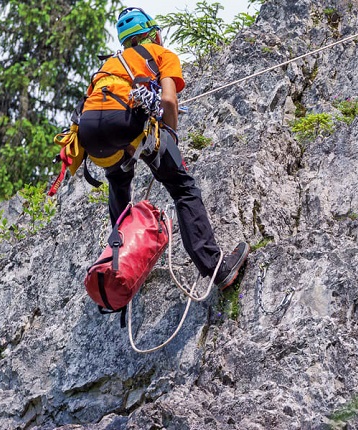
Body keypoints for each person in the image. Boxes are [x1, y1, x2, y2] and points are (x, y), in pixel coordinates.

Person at [77, 6, 248, 290]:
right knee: (182, 188)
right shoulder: (161, 54)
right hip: (124, 122)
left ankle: (121, 269)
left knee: (119, 185)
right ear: (154, 34)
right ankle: (216, 267)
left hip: (90, 132)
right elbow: (168, 101)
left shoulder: (109, 65)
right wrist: (170, 134)